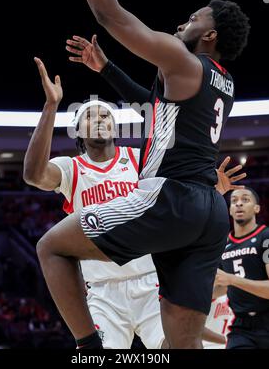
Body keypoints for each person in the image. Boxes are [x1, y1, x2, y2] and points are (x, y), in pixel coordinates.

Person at [33, 0, 250, 349]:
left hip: (172, 196)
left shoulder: (184, 61)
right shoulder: (219, 80)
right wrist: (106, 68)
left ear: (209, 34)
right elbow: (155, 111)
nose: (184, 21)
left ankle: (89, 349)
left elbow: (109, 14)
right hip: (210, 213)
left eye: (194, 18)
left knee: (51, 247)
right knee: (181, 345)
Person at [23, 58, 245, 349]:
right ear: (78, 130)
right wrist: (51, 105)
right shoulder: (71, 168)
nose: (99, 120)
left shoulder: (140, 159)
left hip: (151, 280)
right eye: (91, 117)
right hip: (102, 293)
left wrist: (211, 187)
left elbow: (178, 194)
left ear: (114, 128)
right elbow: (33, 175)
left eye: (105, 116)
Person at [215, 188, 269, 349]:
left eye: (245, 199)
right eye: (234, 201)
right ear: (230, 210)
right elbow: (222, 286)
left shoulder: (266, 237)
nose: (239, 203)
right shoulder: (223, 246)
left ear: (257, 208)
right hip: (242, 327)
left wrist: (232, 279)